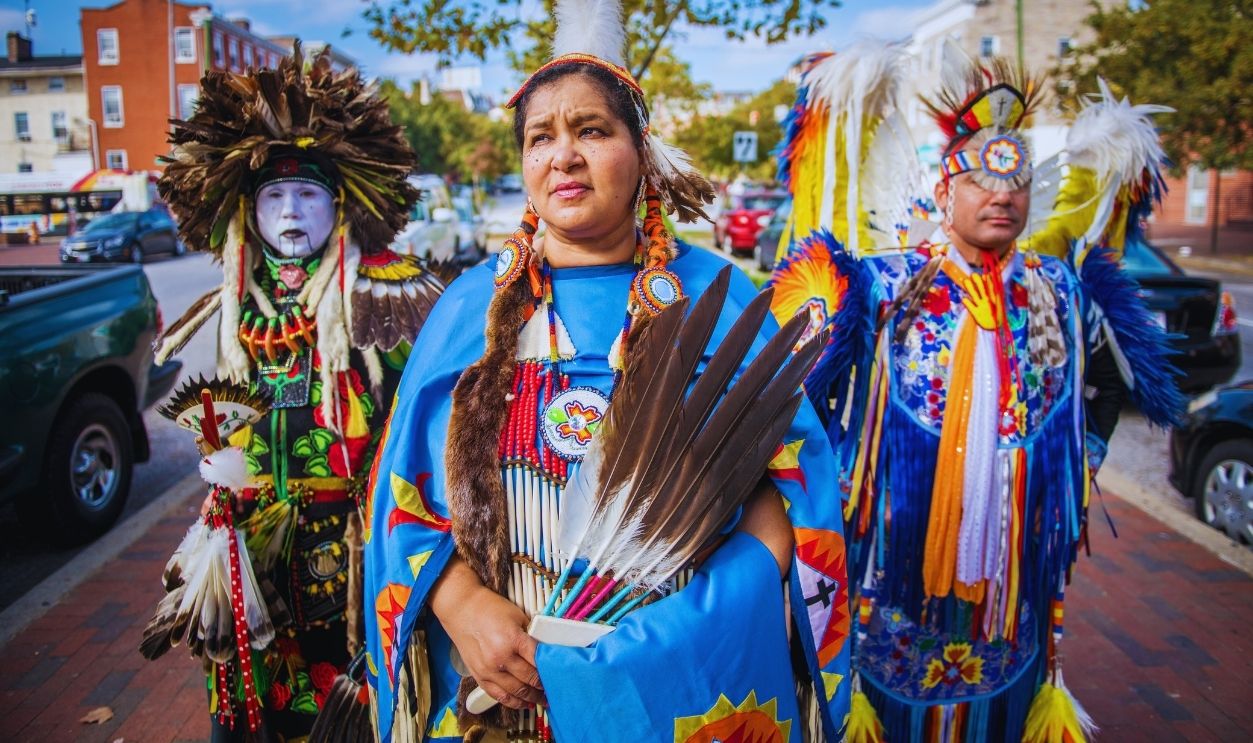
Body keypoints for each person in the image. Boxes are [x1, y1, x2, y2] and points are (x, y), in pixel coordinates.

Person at [363, 2, 852, 741]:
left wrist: (685, 631)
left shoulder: (714, 303)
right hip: (498, 693)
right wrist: (460, 603)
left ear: (641, 149)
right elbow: (402, 492)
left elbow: (786, 494)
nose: (562, 155)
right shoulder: (467, 311)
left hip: (672, 684)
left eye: (591, 129)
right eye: (539, 137)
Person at [767, 43, 1183, 741]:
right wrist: (829, 493)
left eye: (1016, 179)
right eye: (981, 180)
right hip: (890, 553)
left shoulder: (1058, 288)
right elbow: (795, 400)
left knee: (997, 712)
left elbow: (1107, 381)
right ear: (943, 193)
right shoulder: (881, 284)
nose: (1002, 193)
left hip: (1012, 563)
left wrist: (1076, 460)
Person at [139, 44, 445, 741]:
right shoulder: (238, 302)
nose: (290, 210)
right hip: (254, 542)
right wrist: (221, 465)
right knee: (258, 700)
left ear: (337, 207)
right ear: (248, 211)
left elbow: (420, 418)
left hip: (355, 547)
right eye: (273, 194)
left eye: (307, 192)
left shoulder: (384, 294)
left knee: (350, 698)